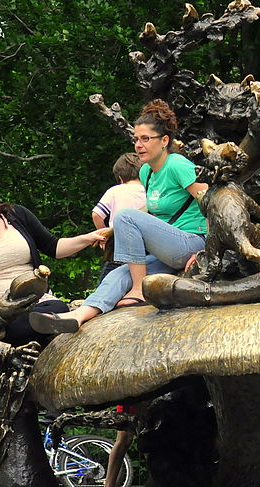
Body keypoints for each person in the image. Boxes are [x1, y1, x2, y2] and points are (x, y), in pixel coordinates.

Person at [30, 99, 208, 333]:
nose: (139, 145)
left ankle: (138, 290)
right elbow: (150, 213)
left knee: (125, 216)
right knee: (118, 273)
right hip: (167, 250)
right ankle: (77, 316)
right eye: (136, 139)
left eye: (146, 139)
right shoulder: (146, 172)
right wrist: (111, 231)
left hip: (192, 243)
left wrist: (209, 252)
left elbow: (210, 200)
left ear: (164, 141)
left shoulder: (177, 165)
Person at [0, 170, 106, 344]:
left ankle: (38, 325)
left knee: (58, 307)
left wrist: (88, 238)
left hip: (33, 295)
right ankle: (40, 327)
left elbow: (53, 247)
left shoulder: (15, 214)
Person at [92, 152, 148, 283]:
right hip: (145, 242)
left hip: (119, 241)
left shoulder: (115, 190)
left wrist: (104, 235)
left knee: (110, 277)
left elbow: (97, 214)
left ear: (120, 177)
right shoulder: (149, 190)